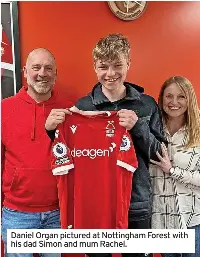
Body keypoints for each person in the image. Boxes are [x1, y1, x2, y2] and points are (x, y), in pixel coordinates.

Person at [45, 33, 165, 257]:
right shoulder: (82, 106)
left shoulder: (147, 105)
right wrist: (52, 131)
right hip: (95, 206)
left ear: (128, 63)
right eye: (103, 67)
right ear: (95, 67)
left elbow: (160, 154)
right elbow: (70, 154)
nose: (110, 74)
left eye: (118, 65)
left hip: (136, 205)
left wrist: (138, 127)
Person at [1, 48, 72, 257]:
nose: (42, 73)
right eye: (36, 67)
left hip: (56, 214)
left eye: (48, 68)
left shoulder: (69, 110)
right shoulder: (4, 109)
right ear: (25, 72)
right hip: (16, 214)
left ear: (56, 74)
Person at [150, 76, 200, 256]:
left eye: (181, 97)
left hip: (192, 221)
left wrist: (172, 170)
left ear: (189, 99)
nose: (174, 102)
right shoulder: (151, 129)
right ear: (161, 98)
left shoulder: (198, 131)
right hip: (162, 220)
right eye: (169, 96)